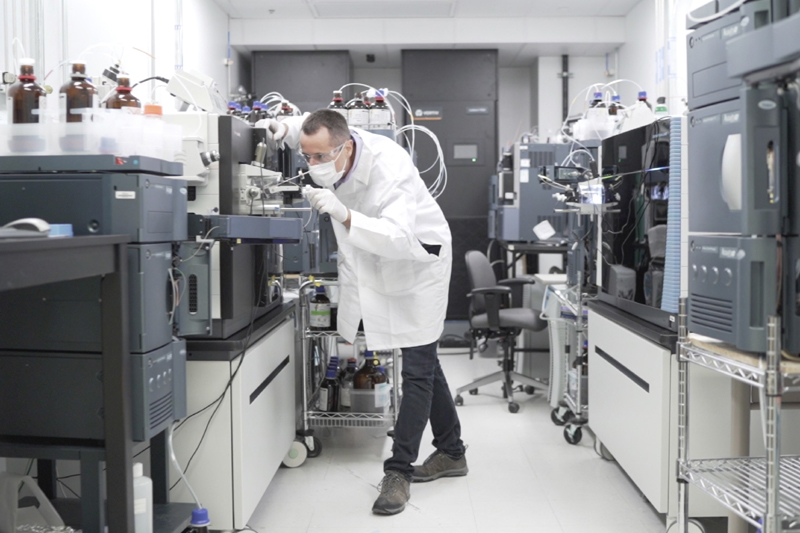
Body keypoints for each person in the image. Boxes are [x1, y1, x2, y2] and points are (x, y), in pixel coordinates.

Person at [261, 109, 467, 515]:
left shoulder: (390, 167)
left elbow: (397, 235)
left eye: (321, 157)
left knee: (417, 368)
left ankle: (398, 472)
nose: (313, 165)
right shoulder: (330, 137)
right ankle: (452, 451)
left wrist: (343, 213)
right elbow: (311, 128)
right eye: (308, 157)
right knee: (424, 360)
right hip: (378, 262)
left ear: (347, 146)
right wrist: (283, 130)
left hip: (416, 263)